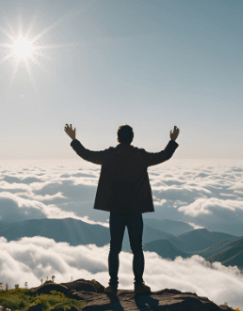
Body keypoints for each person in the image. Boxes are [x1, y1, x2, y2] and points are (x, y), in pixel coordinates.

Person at [64, 123, 179, 295]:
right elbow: (164, 155)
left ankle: (113, 286)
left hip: (116, 210)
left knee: (114, 248)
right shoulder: (140, 156)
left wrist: (74, 139)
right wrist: (172, 141)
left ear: (118, 138)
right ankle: (139, 285)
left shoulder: (109, 155)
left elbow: (86, 154)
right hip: (135, 210)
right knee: (137, 248)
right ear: (132, 138)